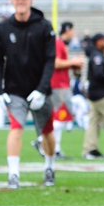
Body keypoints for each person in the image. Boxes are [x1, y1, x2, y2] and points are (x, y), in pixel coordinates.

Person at [0, 0, 58, 189]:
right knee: (16, 128)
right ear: (12, 0)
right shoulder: (3, 28)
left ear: (30, 0)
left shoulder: (44, 26)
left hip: (40, 88)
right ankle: (13, 173)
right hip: (15, 89)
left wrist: (42, 89)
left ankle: (50, 166)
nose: (21, 2)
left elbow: (50, 60)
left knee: (47, 132)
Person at [42, 21, 84, 159]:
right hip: (58, 85)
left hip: (61, 84)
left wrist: (73, 66)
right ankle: (44, 143)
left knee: (61, 118)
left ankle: (54, 148)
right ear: (68, 30)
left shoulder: (62, 45)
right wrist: (73, 62)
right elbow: (55, 63)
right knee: (60, 117)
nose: (74, 34)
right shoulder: (58, 44)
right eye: (72, 30)